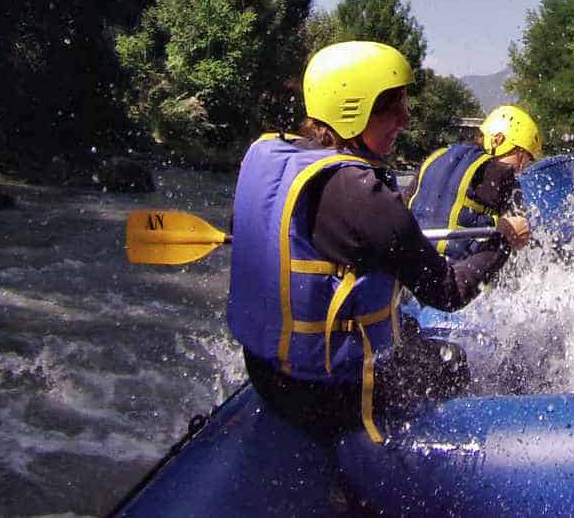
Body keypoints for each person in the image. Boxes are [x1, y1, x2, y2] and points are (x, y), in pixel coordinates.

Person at [226, 41, 531, 443]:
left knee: (403, 325)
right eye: (393, 107)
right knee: (450, 360)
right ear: (353, 109)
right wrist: (504, 243)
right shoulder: (363, 196)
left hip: (265, 374)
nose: (405, 120)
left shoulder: (271, 155)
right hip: (327, 396)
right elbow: (450, 291)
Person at [405, 105, 541, 260]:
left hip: (412, 264)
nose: (520, 168)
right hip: (456, 273)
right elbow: (521, 230)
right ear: (498, 140)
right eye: (522, 157)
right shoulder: (500, 172)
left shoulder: (435, 157)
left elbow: (404, 203)